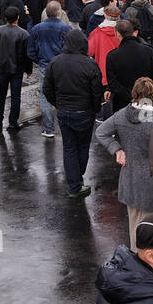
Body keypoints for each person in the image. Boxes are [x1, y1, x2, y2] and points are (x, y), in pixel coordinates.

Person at [95, 76, 153, 245]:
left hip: (129, 182)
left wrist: (117, 149)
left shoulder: (121, 115)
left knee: (135, 226)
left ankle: (136, 262)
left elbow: (101, 132)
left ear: (134, 94)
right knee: (152, 232)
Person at [43, 28, 104, 198]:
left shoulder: (55, 62)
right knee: (83, 146)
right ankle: (77, 179)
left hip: (64, 110)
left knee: (69, 147)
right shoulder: (90, 64)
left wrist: (57, 103)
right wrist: (95, 107)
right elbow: (96, 90)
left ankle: (74, 183)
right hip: (84, 111)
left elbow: (47, 88)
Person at [27, 0, 69, 139]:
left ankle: (48, 128)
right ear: (59, 13)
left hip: (45, 65)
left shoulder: (36, 29)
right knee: (64, 94)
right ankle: (65, 126)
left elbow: (31, 51)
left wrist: (39, 60)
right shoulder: (65, 29)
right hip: (61, 65)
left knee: (44, 97)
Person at [104, 19, 153, 113]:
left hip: (124, 105)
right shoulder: (150, 51)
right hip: (148, 103)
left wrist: (132, 96)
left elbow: (113, 83)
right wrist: (148, 93)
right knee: (149, 125)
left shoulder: (112, 56)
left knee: (126, 127)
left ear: (118, 34)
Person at [0, 6, 30, 132]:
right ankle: (13, 122)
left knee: (1, 95)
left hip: (1, 68)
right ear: (18, 17)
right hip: (17, 69)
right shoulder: (23, 34)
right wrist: (28, 69)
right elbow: (26, 55)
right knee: (16, 97)